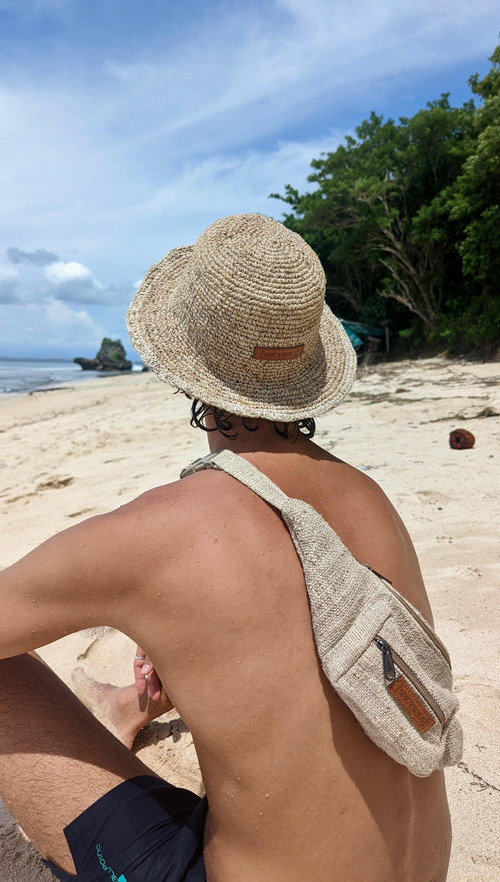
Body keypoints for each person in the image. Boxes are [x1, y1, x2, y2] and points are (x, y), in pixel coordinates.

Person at [0, 214, 452, 881]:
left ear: (186, 370)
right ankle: (125, 708)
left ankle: (120, 713)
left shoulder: (160, 533)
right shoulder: (369, 500)